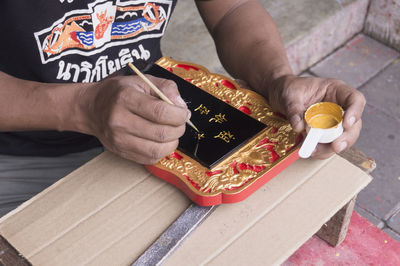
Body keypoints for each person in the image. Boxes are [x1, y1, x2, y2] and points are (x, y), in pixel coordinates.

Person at [0, 0, 365, 217]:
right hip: (23, 146)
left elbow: (231, 10)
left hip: (158, 117)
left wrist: (277, 79)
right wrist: (82, 108)